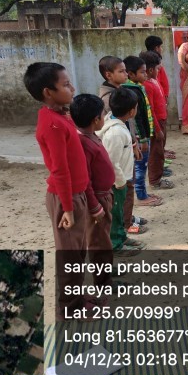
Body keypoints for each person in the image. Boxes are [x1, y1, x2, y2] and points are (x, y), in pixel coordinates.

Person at [22, 62, 90, 319]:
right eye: (66, 85)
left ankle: (78, 297)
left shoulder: (61, 116)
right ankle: (70, 308)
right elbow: (60, 170)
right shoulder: (52, 125)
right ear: (48, 92)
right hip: (66, 198)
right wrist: (68, 210)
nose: (72, 89)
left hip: (75, 195)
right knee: (70, 255)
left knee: (79, 250)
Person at [71, 94, 144, 262]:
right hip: (117, 183)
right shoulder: (115, 133)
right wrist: (120, 181)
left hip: (120, 180)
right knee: (115, 215)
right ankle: (116, 244)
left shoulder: (111, 128)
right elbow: (112, 161)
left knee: (119, 213)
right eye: (102, 114)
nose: (105, 116)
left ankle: (121, 237)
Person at [97, 55, 148, 232]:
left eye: (126, 70)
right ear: (108, 74)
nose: (126, 74)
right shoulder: (109, 98)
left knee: (128, 188)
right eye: (122, 71)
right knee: (125, 189)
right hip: (120, 151)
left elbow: (126, 123)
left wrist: (134, 142)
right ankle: (126, 224)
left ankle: (127, 217)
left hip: (127, 144)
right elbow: (118, 125)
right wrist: (133, 143)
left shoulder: (121, 92)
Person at [122, 55, 163, 207]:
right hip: (140, 138)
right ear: (131, 74)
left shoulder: (138, 88)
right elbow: (136, 118)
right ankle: (141, 195)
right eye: (142, 72)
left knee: (141, 165)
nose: (146, 75)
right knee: (140, 166)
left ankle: (143, 192)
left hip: (142, 135)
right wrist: (143, 139)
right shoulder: (131, 92)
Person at [140, 51, 174, 190]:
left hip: (161, 120)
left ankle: (158, 175)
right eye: (157, 69)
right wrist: (157, 129)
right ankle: (155, 181)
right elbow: (150, 110)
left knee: (159, 150)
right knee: (156, 152)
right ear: (150, 70)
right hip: (156, 123)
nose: (159, 71)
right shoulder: (147, 85)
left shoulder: (153, 81)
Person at [144, 35, 176, 159]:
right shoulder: (151, 65)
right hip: (158, 103)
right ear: (156, 48)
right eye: (160, 47)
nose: (161, 49)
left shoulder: (155, 61)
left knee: (162, 132)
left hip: (161, 99)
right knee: (158, 134)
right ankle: (159, 154)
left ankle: (161, 151)